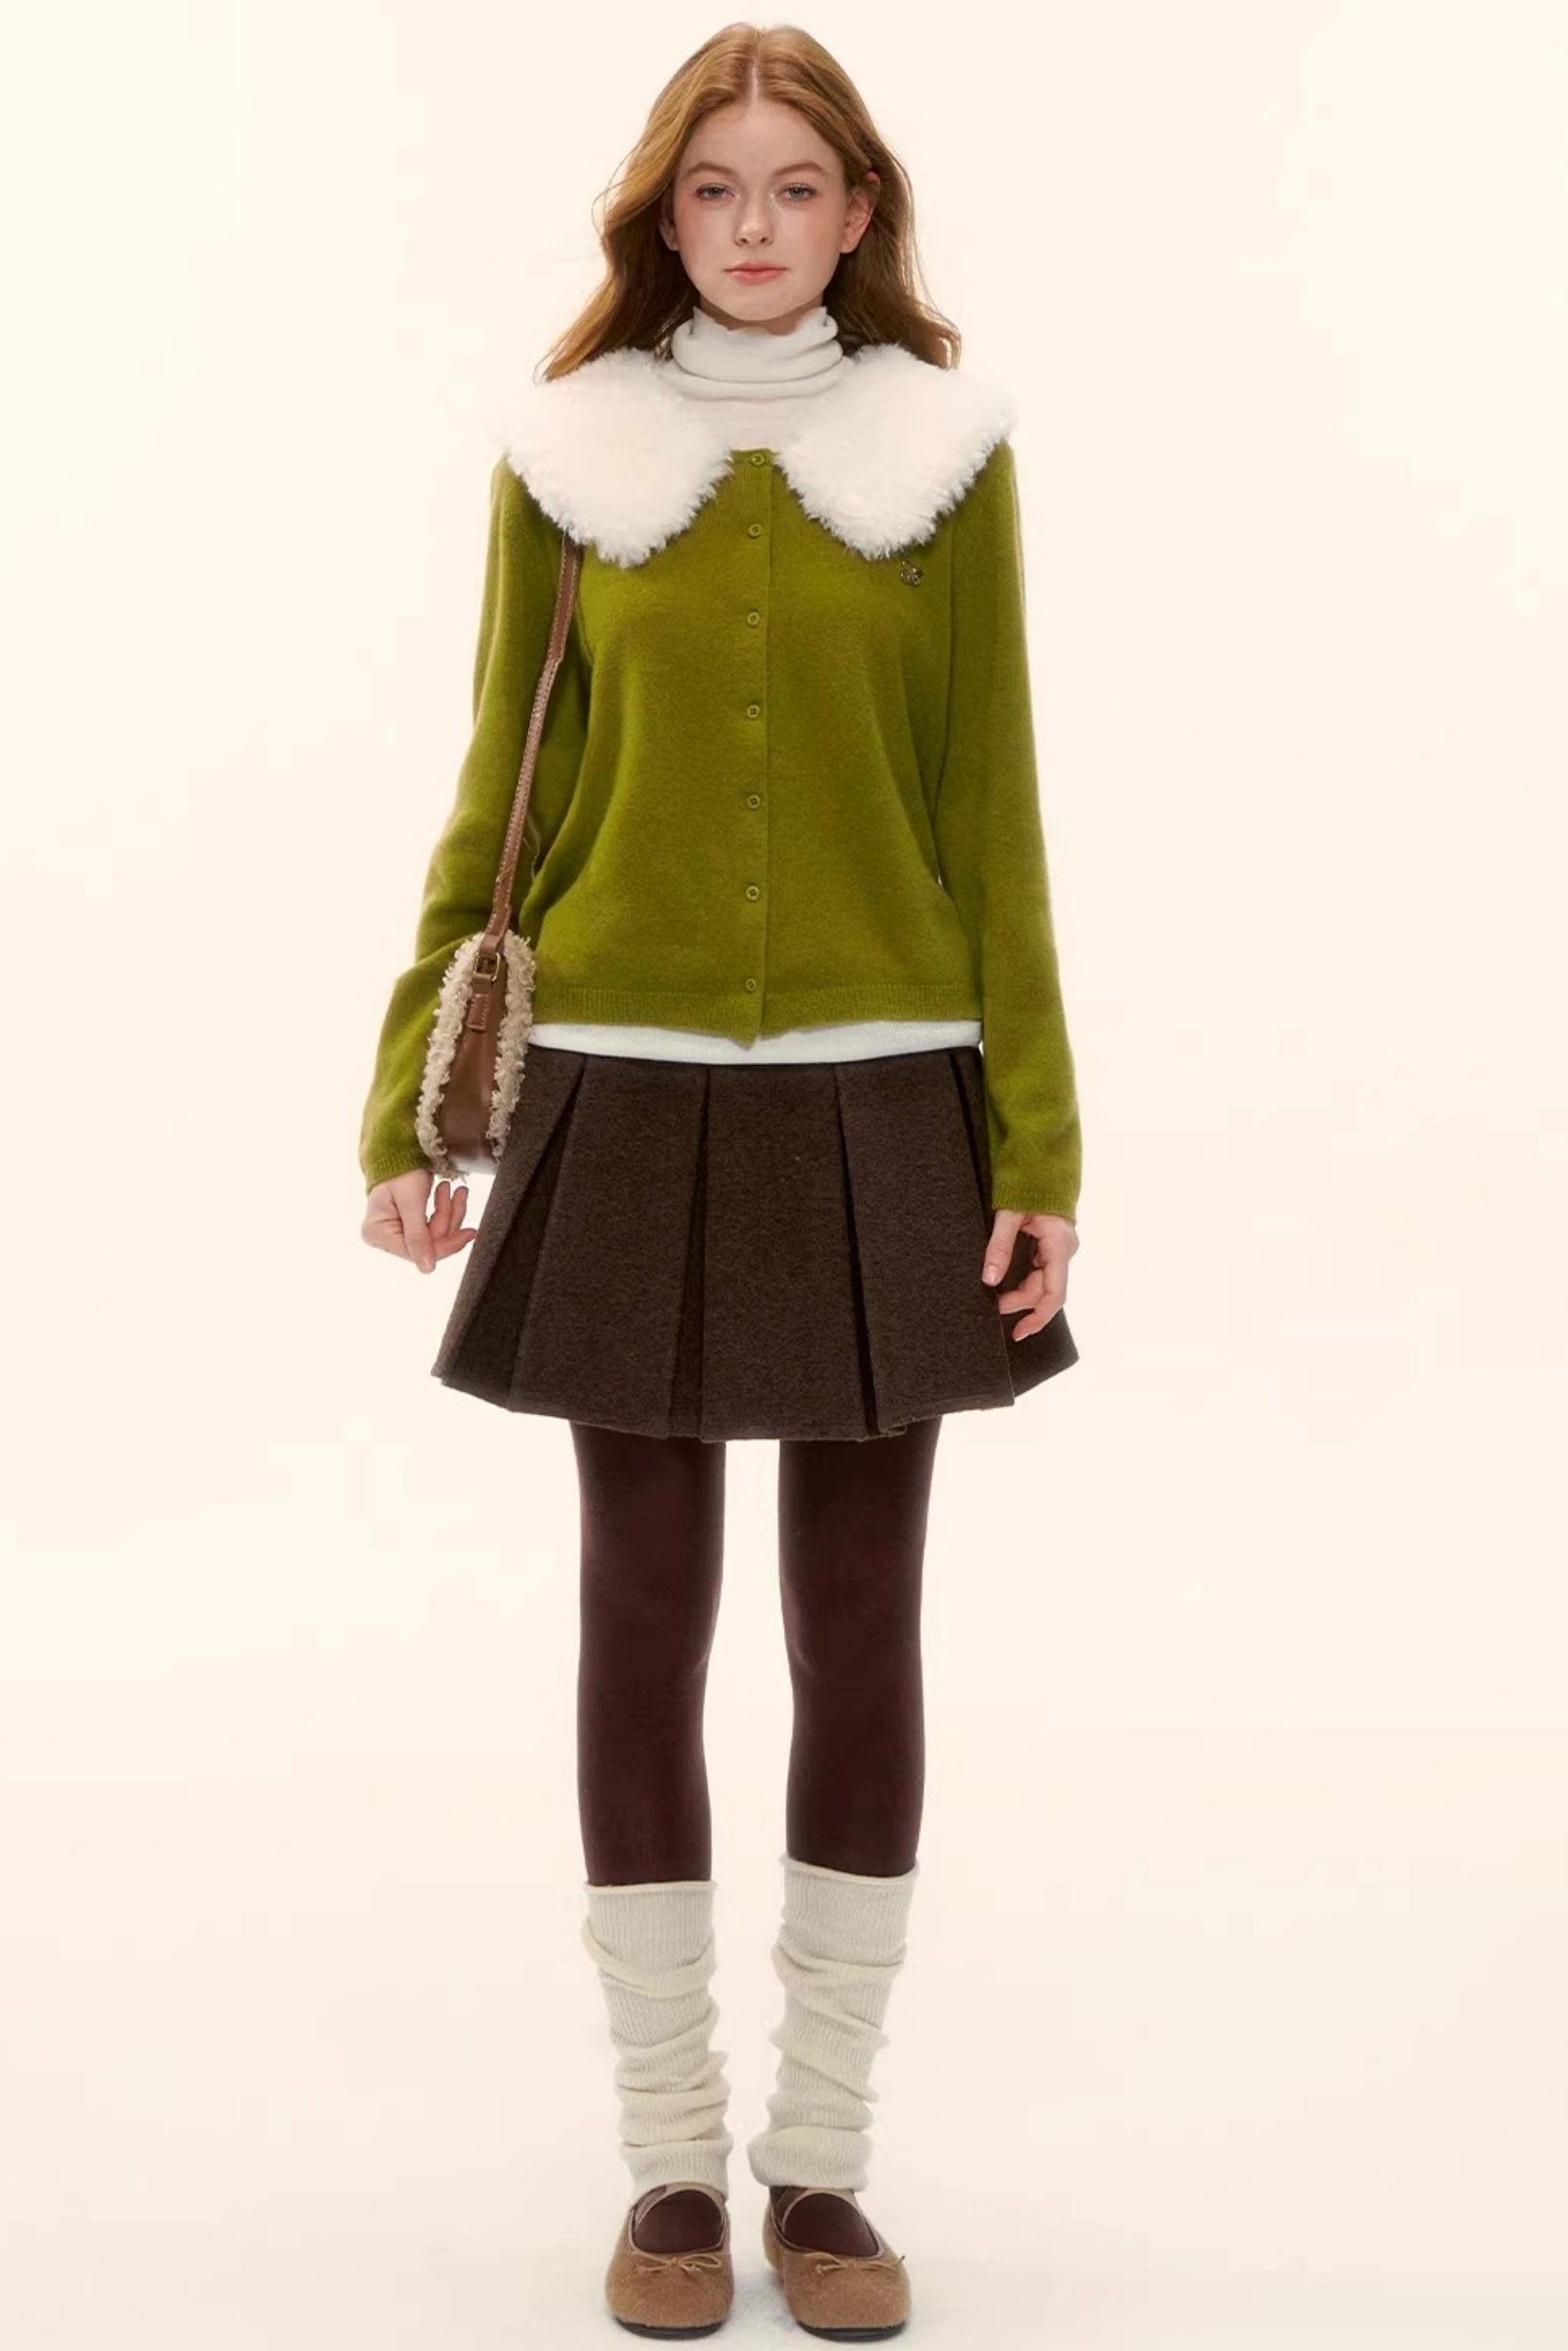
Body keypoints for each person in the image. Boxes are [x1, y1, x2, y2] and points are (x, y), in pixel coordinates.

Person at [357, 24, 1083, 2338]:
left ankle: (824, 2170)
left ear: (859, 212)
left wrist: (1039, 1140)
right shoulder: (571, 453)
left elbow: (996, 807)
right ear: (658, 215)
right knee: (638, 1619)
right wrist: (412, 1105)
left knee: (858, 1628)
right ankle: (672, 2163)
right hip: (620, 1089)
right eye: (711, 189)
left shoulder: (941, 456)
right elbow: (498, 782)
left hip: (888, 1098)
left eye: (792, 187)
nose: (752, 227)